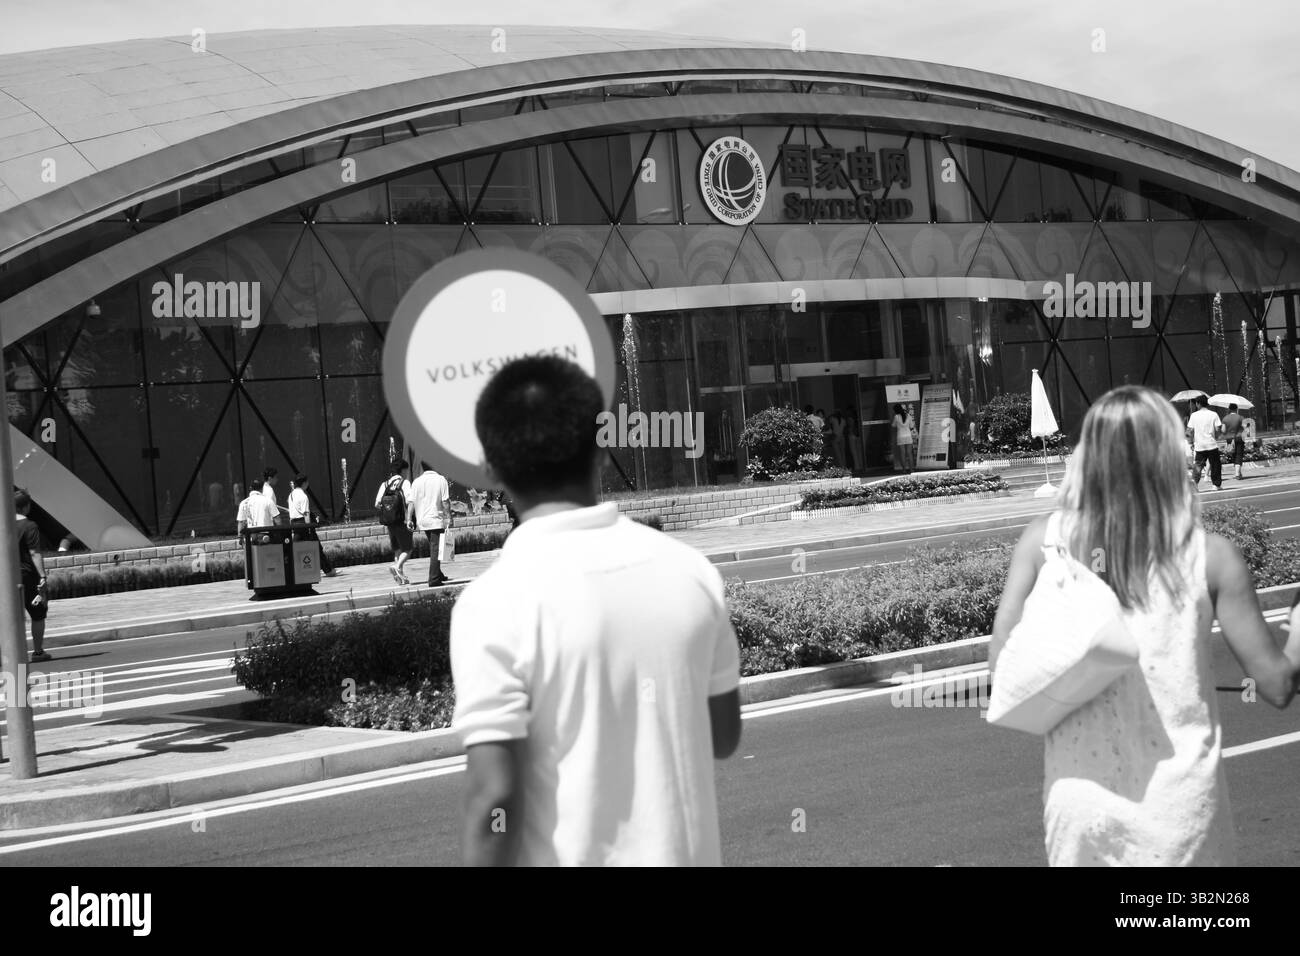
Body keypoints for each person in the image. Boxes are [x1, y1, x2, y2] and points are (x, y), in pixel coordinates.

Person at [991, 386, 1300, 866]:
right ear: (1168, 452)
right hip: (1177, 811)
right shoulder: (1210, 556)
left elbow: (1002, 669)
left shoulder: (1043, 541)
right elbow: (1278, 685)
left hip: (1079, 806)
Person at [452, 356, 742, 866]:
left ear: (491, 470)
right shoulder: (690, 570)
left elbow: (494, 795)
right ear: (601, 453)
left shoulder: (493, 602)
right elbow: (723, 735)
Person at [14, 489, 51, 663]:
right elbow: (35, 553)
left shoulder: (3, 524)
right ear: (26, 506)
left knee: (8, 615)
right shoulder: (30, 526)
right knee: (38, 612)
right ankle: (37, 652)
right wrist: (42, 576)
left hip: (6, 577)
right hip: (28, 576)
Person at [409, 462, 452, 586]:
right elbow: (445, 501)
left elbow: (411, 502)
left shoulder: (417, 481)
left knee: (434, 546)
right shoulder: (440, 479)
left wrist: (409, 519)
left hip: (422, 520)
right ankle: (434, 579)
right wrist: (448, 517)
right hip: (435, 519)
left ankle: (439, 574)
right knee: (436, 549)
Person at [288, 473, 337, 577]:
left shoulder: (291, 495)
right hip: (304, 524)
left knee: (295, 549)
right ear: (304, 483)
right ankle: (328, 570)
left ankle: (292, 572)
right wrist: (309, 528)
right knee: (317, 547)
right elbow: (306, 514)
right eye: (307, 482)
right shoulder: (303, 496)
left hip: (294, 524)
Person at [375, 463, 414, 586]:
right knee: (408, 549)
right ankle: (397, 566)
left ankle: (400, 577)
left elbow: (377, 503)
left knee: (397, 549)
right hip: (402, 521)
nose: (407, 472)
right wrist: (409, 519)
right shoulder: (404, 483)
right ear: (402, 470)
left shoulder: (385, 484)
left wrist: (388, 511)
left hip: (390, 522)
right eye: (406, 470)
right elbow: (410, 501)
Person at [1187, 395, 1223, 491]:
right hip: (1211, 444)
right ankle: (1216, 485)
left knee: (1198, 466)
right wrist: (1217, 436)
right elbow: (1218, 428)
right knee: (1215, 465)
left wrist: (1190, 443)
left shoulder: (1194, 415)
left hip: (1200, 445)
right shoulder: (1214, 414)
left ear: (1198, 404)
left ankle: (1194, 485)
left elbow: (1189, 431)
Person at [1221, 402, 1245, 480]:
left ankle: (1237, 472)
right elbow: (1245, 428)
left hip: (1229, 439)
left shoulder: (1225, 418)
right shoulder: (1241, 417)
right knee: (1239, 454)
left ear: (1229, 409)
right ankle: (1238, 473)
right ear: (1236, 409)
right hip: (1239, 438)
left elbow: (1223, 430)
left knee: (1233, 454)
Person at [891, 403, 914, 472]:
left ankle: (904, 470)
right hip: (908, 436)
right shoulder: (909, 416)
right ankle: (912, 470)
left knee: (902, 453)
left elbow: (893, 426)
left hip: (900, 436)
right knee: (909, 453)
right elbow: (912, 427)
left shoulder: (896, 417)